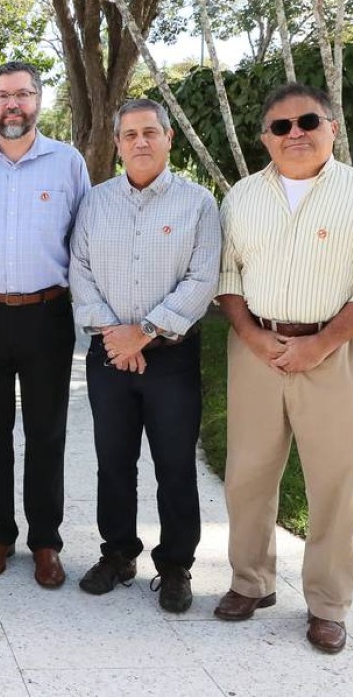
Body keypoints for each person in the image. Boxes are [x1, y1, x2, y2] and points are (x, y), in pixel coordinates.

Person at [215, 83, 353, 653]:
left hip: (338, 353)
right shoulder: (241, 198)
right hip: (256, 350)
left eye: (306, 121)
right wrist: (251, 336)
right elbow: (227, 278)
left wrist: (320, 344)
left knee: (337, 483)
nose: (294, 133)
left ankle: (328, 605)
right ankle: (250, 583)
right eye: (280, 126)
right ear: (265, 139)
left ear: (331, 127)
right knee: (247, 475)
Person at [69, 98, 220, 612]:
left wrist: (146, 333)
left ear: (169, 138)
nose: (140, 142)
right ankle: (118, 554)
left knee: (174, 463)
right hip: (109, 352)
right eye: (129, 134)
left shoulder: (198, 203)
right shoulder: (95, 202)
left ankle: (176, 565)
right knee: (113, 461)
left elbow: (203, 279)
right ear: (117, 144)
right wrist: (117, 335)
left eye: (150, 132)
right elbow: (80, 270)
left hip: (172, 358)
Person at [0, 61, 90, 586]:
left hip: (47, 315)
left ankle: (45, 542)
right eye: (2, 95)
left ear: (39, 101)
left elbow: (84, 240)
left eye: (23, 95)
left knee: (46, 432)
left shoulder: (68, 163)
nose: (13, 105)